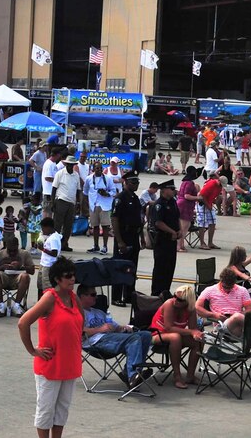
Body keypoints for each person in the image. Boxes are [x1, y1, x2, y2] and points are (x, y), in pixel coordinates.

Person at [17, 256, 82, 438]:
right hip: (50, 364)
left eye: (73, 275)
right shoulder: (49, 298)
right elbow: (23, 323)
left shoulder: (73, 298)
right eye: (68, 276)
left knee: (62, 410)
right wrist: (32, 350)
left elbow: (80, 324)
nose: (72, 279)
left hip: (70, 363)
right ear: (57, 279)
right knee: (46, 409)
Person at [195, 269, 251, 385]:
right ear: (221, 281)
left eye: (231, 287)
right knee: (237, 317)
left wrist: (240, 315)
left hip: (240, 325)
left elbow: (250, 311)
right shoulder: (210, 290)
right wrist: (214, 315)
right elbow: (197, 308)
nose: (228, 289)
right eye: (226, 287)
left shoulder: (241, 290)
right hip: (222, 327)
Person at [78, 285, 152, 388]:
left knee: (145, 335)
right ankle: (133, 375)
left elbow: (115, 327)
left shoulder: (99, 312)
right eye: (93, 294)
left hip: (111, 338)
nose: (96, 297)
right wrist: (100, 329)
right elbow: (78, 332)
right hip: (95, 342)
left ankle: (131, 373)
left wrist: (125, 328)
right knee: (133, 339)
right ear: (82, 296)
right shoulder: (78, 312)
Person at [149, 285, 204, 388]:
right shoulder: (169, 304)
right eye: (174, 296)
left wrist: (196, 333)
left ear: (187, 301)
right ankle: (177, 376)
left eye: (179, 299)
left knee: (199, 340)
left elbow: (193, 328)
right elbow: (169, 328)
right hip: (157, 334)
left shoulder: (191, 309)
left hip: (175, 335)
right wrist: (191, 331)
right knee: (175, 337)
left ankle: (190, 375)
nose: (175, 300)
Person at [111, 171, 143, 305]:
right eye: (133, 182)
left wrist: (142, 237)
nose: (136, 185)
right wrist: (119, 241)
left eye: (137, 182)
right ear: (125, 183)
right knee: (120, 267)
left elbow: (139, 220)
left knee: (132, 267)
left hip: (134, 235)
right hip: (123, 235)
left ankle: (129, 294)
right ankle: (116, 297)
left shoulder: (135, 198)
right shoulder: (120, 198)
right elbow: (114, 219)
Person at [0, 236, 35, 317]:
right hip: (4, 278)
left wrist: (21, 266)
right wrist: (1, 267)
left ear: (18, 246)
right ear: (6, 246)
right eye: (10, 250)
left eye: (14, 250)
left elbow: (32, 271)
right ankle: (1, 305)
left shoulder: (24, 254)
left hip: (18, 279)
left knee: (25, 276)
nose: (12, 253)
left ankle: (16, 305)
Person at [151, 180, 181, 296]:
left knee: (170, 266)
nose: (174, 191)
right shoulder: (159, 204)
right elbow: (158, 223)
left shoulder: (173, 202)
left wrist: (179, 230)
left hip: (172, 240)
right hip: (162, 239)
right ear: (164, 190)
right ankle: (157, 292)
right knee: (160, 267)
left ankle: (165, 291)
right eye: (171, 189)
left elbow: (176, 217)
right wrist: (172, 231)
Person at [83, 161, 116, 255]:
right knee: (95, 226)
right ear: (93, 169)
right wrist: (85, 206)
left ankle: (105, 246)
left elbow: (114, 191)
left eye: (101, 168)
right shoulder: (89, 179)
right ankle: (96, 246)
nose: (99, 170)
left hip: (105, 205)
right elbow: (85, 192)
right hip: (93, 205)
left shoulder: (108, 178)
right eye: (97, 168)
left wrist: (106, 194)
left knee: (105, 227)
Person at [51, 156, 80, 253]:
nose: (70, 166)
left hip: (71, 203)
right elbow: (54, 188)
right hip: (61, 200)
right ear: (66, 164)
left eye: (72, 165)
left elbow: (78, 190)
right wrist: (52, 203)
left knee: (68, 226)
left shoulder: (76, 175)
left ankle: (64, 244)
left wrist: (78, 203)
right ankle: (54, 244)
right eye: (69, 164)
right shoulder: (60, 173)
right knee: (57, 225)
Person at [196, 173, 224, 249]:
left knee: (212, 222)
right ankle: (202, 243)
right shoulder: (211, 184)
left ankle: (210, 242)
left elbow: (214, 196)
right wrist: (208, 205)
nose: (221, 186)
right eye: (221, 184)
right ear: (218, 181)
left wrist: (214, 202)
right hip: (201, 203)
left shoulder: (220, 187)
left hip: (209, 204)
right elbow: (202, 196)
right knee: (202, 223)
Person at [177, 167, 201, 251]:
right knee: (184, 227)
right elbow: (186, 196)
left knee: (183, 226)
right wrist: (198, 198)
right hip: (185, 205)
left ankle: (181, 245)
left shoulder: (184, 182)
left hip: (181, 203)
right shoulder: (190, 183)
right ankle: (179, 246)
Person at [39, 217, 61, 295]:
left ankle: (47, 304)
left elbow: (54, 253)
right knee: (40, 285)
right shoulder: (56, 235)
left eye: (43, 229)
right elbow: (62, 238)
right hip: (43, 263)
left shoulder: (53, 239)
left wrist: (43, 249)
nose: (42, 231)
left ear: (48, 227)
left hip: (48, 265)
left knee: (47, 287)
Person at [41, 148, 63, 218]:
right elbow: (47, 177)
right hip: (48, 191)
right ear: (57, 155)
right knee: (46, 210)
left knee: (50, 210)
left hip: (52, 191)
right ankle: (45, 225)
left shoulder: (53, 164)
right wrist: (57, 181)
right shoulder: (48, 164)